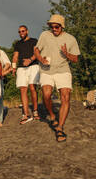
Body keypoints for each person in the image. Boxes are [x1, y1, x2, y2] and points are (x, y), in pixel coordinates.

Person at [34, 14, 80, 142]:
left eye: (56, 27)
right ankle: (53, 115)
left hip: (63, 70)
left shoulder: (71, 39)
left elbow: (75, 59)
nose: (54, 29)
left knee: (65, 97)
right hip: (46, 70)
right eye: (52, 26)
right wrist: (41, 59)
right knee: (47, 95)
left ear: (62, 27)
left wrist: (66, 54)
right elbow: (36, 50)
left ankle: (60, 128)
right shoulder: (44, 35)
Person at [12, 25, 40, 124]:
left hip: (33, 66)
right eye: (19, 32)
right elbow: (15, 56)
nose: (21, 33)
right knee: (23, 89)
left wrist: (30, 60)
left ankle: (35, 111)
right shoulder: (17, 44)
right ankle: (25, 114)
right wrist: (14, 67)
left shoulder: (34, 41)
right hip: (21, 68)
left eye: (23, 31)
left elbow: (37, 53)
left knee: (32, 87)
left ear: (27, 31)